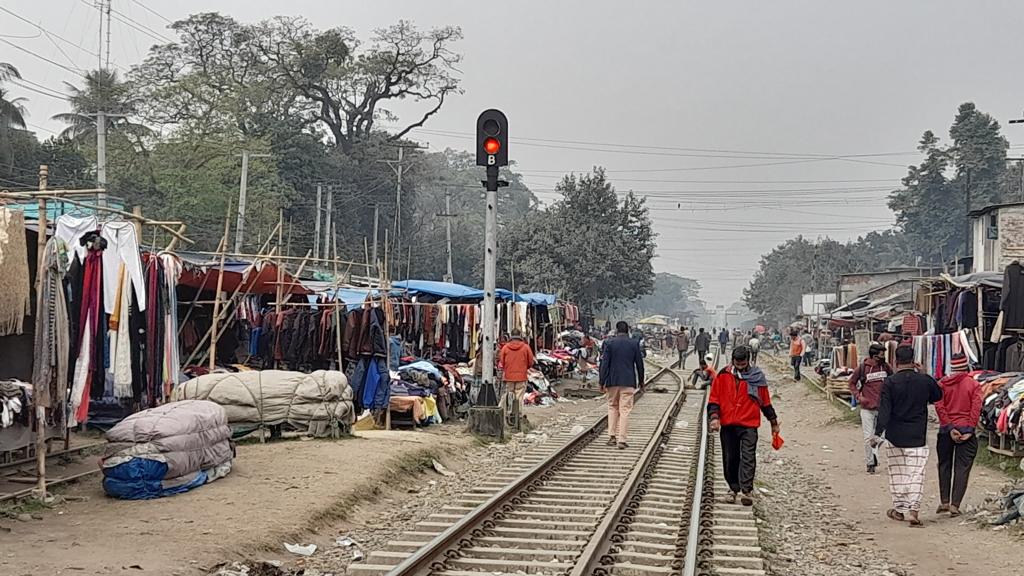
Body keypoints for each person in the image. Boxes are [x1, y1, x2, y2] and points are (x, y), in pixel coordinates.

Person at [870, 345, 942, 527]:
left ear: (895, 360)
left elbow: (884, 410)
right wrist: (925, 373)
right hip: (917, 436)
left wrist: (877, 433)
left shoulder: (890, 382)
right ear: (913, 360)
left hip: (895, 436)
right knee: (916, 474)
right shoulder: (924, 380)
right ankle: (914, 511)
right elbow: (937, 396)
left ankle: (899, 510)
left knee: (898, 474)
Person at [708, 346, 780, 506]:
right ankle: (733, 489)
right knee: (731, 458)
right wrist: (714, 417)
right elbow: (714, 399)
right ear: (733, 360)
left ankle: (746, 490)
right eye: (737, 363)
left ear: (748, 361)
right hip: (728, 424)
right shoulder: (723, 375)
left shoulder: (757, 378)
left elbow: (765, 402)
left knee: (748, 457)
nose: (740, 366)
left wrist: (773, 422)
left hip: (749, 424)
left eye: (743, 364)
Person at [934, 353, 982, 517]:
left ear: (952, 366)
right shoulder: (974, 384)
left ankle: (944, 501)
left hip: (946, 431)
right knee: (962, 468)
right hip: (966, 431)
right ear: (966, 365)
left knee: (944, 464)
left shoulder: (942, 385)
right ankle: (955, 505)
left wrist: (949, 427)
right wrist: (969, 430)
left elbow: (939, 407)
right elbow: (975, 409)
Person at [600, 321, 645, 449]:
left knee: (612, 407)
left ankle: (612, 436)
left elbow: (604, 364)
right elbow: (639, 364)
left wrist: (602, 381)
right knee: (625, 410)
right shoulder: (634, 344)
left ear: (616, 330)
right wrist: (641, 381)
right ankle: (622, 440)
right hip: (628, 381)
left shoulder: (609, 343)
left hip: (612, 381)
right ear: (628, 330)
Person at [848, 344, 893, 474]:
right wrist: (858, 396)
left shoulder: (886, 367)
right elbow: (851, 383)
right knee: (868, 437)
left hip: (883, 408)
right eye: (881, 354)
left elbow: (893, 379)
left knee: (883, 436)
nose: (883, 356)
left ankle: (874, 450)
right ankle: (870, 463)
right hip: (867, 408)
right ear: (874, 355)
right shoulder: (862, 368)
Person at [498, 330, 536, 426]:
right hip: (521, 376)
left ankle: (508, 414)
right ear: (519, 335)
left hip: (508, 376)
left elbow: (501, 361)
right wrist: (524, 368)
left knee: (509, 395)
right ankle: (517, 416)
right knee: (519, 397)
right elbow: (531, 362)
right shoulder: (526, 347)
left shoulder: (505, 348)